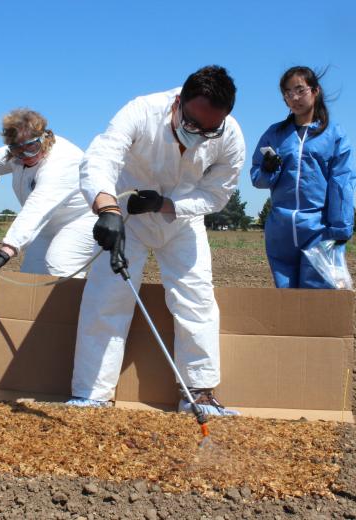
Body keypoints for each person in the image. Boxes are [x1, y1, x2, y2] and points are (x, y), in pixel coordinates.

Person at [66, 65, 246, 416]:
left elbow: (218, 193)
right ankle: (92, 394)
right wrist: (107, 209)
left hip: (182, 219)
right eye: (192, 125)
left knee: (196, 299)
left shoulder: (230, 135)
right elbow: (102, 156)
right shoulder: (142, 111)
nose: (199, 135)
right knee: (107, 297)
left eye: (210, 130)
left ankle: (200, 393)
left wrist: (168, 204)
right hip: (127, 217)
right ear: (178, 103)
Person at [0, 109, 96, 285]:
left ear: (43, 138)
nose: (24, 155)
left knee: (58, 264)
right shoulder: (17, 150)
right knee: (32, 273)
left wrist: (3, 254)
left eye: (31, 148)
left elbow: (36, 208)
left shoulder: (61, 162)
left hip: (79, 220)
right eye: (17, 150)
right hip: (46, 225)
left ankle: (67, 311)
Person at [250, 66, 356, 288]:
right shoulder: (275, 134)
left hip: (319, 228)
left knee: (317, 298)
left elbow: (342, 182)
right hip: (281, 228)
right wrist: (268, 169)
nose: (294, 98)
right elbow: (257, 179)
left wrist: (340, 229)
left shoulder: (334, 134)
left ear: (315, 90)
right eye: (288, 94)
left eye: (300, 90)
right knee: (286, 297)